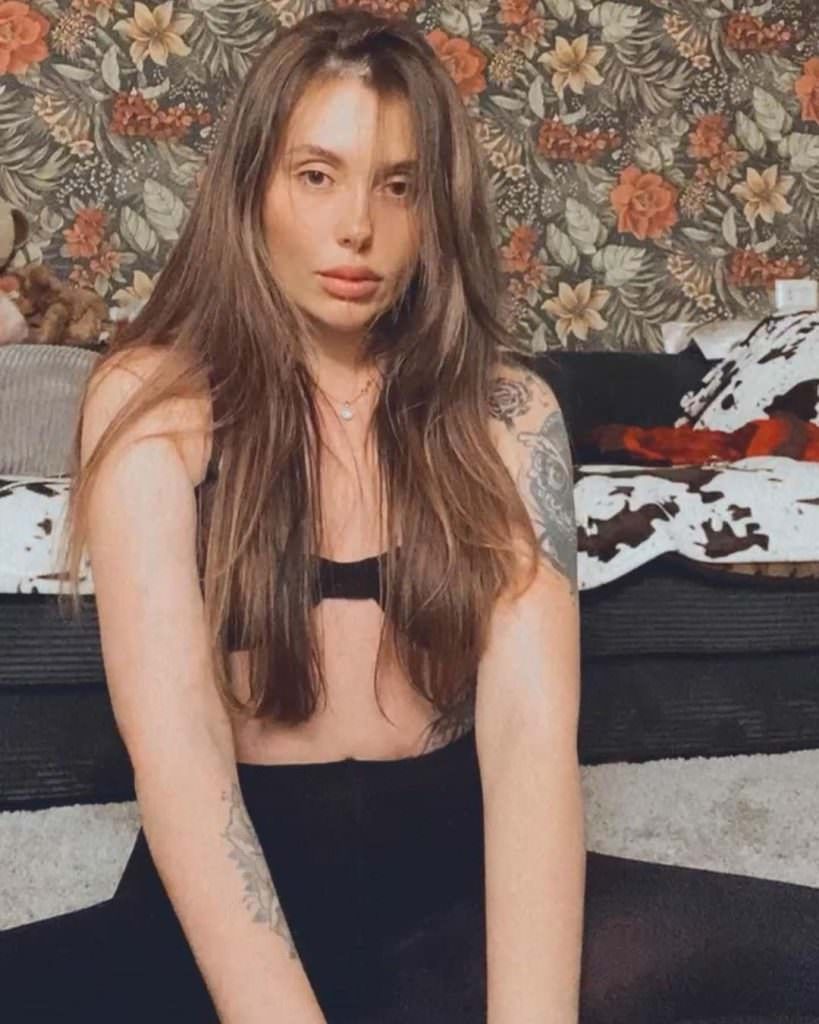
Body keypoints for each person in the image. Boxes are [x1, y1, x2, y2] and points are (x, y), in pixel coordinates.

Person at [3, 9, 819, 1024]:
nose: (359, 225)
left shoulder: (510, 416)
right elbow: (179, 759)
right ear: (252, 186)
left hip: (451, 900)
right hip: (222, 913)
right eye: (317, 175)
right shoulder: (152, 401)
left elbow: (526, 746)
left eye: (398, 185)